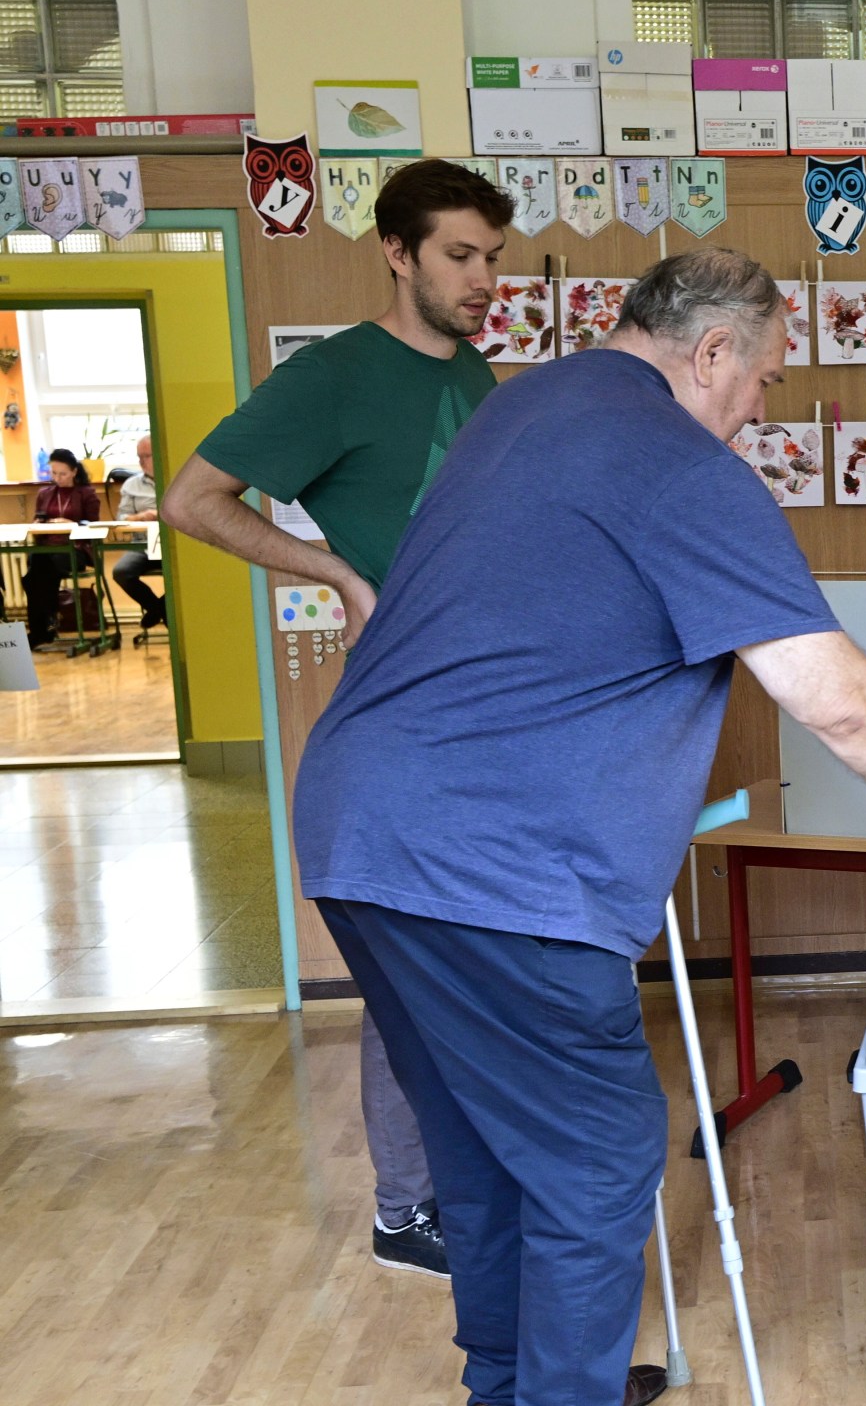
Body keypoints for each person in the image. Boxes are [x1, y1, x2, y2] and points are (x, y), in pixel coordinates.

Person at [293, 247, 866, 1406]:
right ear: (716, 351)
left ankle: (513, 1387)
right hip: (491, 866)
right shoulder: (675, 464)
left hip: (360, 832)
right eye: (768, 379)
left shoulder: (532, 399)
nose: (762, 408)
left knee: (485, 1151)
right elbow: (827, 690)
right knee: (595, 1159)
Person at [161, 159, 513, 1292]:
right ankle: (407, 1207)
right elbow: (191, 499)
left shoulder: (484, 375)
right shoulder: (335, 378)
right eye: (460, 256)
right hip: (402, 723)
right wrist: (331, 573)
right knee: (413, 968)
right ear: (398, 253)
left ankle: (463, 1185)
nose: (482, 280)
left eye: (493, 257)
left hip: (485, 711)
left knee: (475, 964)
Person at [22, 448, 101, 650]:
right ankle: (44, 626)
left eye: (63, 474)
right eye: (54, 473)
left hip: (76, 550)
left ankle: (43, 628)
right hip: (48, 548)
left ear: (74, 471)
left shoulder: (87, 494)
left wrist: (71, 523)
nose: (58, 478)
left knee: (37, 573)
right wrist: (39, 524)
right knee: (33, 575)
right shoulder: (45, 494)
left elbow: (93, 526)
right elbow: (37, 521)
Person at [111, 434, 164, 632]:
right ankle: (159, 609)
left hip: (172, 545)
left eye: (146, 456)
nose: (141, 462)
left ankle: (160, 612)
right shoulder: (131, 484)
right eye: (138, 457)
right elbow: (121, 519)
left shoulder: (176, 478)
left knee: (184, 574)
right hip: (142, 545)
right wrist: (140, 517)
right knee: (121, 572)